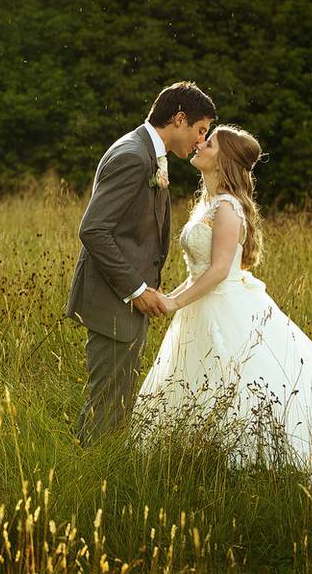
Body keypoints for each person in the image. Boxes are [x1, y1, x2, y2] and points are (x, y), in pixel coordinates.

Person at [133, 124, 312, 487]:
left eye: (211, 141)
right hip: (203, 307)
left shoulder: (226, 207)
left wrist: (172, 302)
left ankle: (257, 462)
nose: (200, 143)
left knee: (248, 385)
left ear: (226, 159)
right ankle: (200, 457)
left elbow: (220, 270)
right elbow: (200, 271)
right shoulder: (207, 203)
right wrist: (166, 296)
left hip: (227, 306)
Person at [65, 81, 216, 446]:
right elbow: (94, 230)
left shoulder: (148, 153)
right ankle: (95, 483)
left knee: (112, 402)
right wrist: (135, 289)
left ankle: (91, 473)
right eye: (200, 130)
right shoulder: (133, 154)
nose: (200, 141)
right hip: (115, 300)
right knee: (109, 407)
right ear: (179, 119)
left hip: (128, 301)